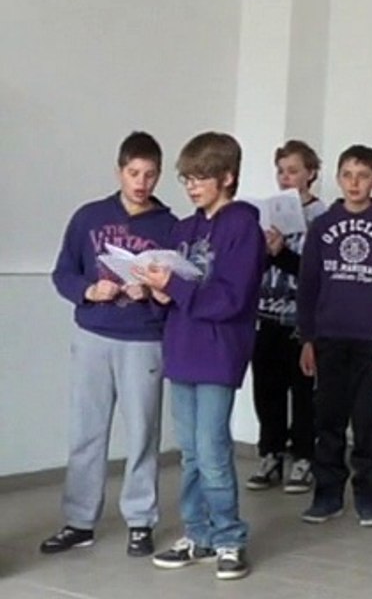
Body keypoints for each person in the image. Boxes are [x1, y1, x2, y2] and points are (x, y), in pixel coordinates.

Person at [138, 131, 267, 581]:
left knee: (212, 450)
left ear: (227, 177)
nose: (192, 187)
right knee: (190, 452)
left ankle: (229, 537)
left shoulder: (242, 226)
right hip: (182, 348)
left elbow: (230, 298)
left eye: (201, 178)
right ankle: (199, 533)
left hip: (218, 352)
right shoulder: (183, 228)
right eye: (187, 179)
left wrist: (171, 286)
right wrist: (155, 287)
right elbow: (175, 294)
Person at [42, 131, 177, 559]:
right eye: (134, 173)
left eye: (150, 174)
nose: (141, 182)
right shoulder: (89, 217)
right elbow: (62, 273)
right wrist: (88, 290)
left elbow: (177, 292)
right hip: (93, 334)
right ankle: (80, 521)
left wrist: (152, 295)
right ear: (119, 170)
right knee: (86, 431)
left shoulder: (170, 226)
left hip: (143, 339)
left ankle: (141, 520)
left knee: (142, 432)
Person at [297, 145, 372, 528]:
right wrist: (307, 338)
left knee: (366, 423)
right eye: (347, 175)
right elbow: (308, 286)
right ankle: (327, 496)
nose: (354, 183)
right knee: (327, 421)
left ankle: (368, 499)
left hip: (371, 343)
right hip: (329, 338)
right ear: (337, 179)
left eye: (363, 176)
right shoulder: (323, 225)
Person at [246, 139, 327, 494]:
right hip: (266, 314)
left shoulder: (323, 218)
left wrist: (279, 254)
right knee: (267, 390)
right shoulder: (267, 214)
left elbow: (316, 273)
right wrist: (264, 251)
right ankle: (271, 452)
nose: (285, 177)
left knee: (303, 391)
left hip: (301, 319)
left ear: (310, 173)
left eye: (293, 170)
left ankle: (304, 456)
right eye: (281, 171)